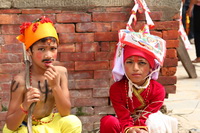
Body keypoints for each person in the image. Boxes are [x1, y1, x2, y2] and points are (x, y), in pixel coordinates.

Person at [3, 16, 82, 133]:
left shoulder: (61, 73)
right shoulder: (20, 81)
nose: (48, 55)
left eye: (53, 48)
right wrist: (25, 105)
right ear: (29, 51)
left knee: (73, 122)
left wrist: (55, 86)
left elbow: (65, 112)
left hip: (49, 124)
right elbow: (10, 125)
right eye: (41, 49)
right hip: (25, 127)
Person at [100, 25, 178, 133]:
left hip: (147, 126)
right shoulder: (116, 88)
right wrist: (129, 129)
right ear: (123, 65)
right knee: (108, 121)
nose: (135, 68)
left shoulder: (158, 90)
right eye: (129, 62)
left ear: (151, 67)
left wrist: (140, 129)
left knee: (155, 122)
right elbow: (123, 116)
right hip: (125, 125)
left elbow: (146, 117)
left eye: (142, 63)